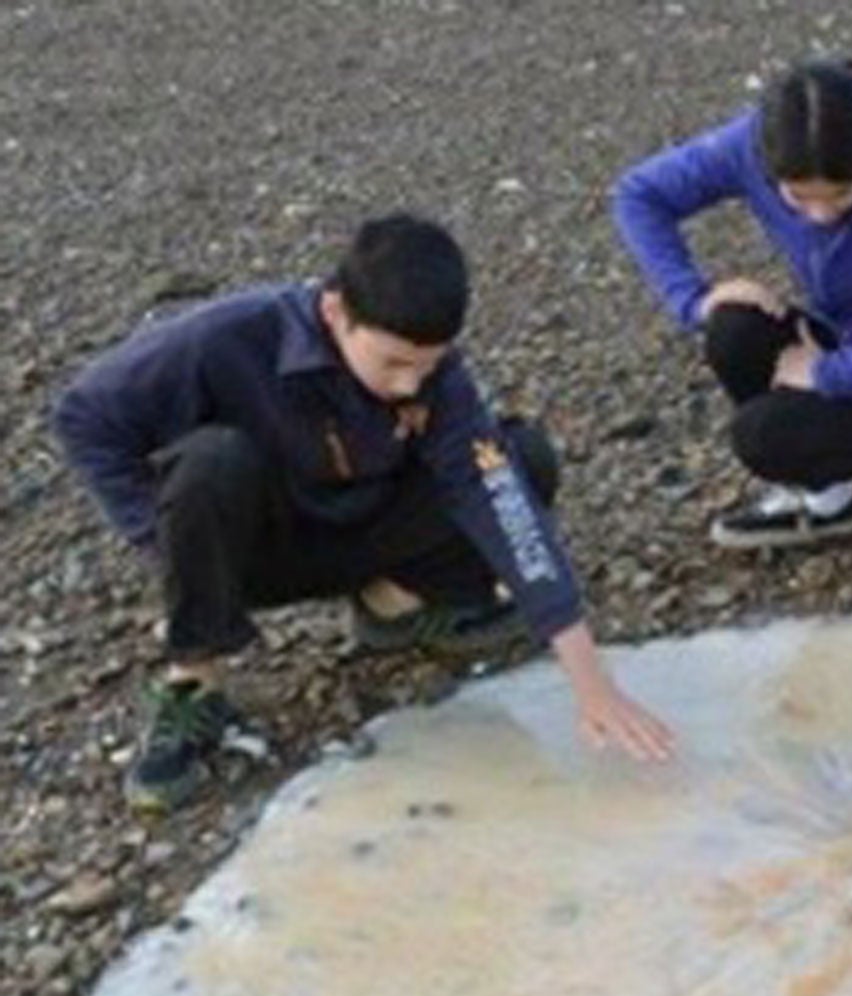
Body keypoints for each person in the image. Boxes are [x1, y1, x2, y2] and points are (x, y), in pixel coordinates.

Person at [55, 213, 673, 811]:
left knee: (517, 461)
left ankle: (394, 608)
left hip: (360, 529)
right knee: (211, 463)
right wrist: (158, 539)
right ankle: (196, 683)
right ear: (334, 312)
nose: (411, 385)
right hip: (253, 551)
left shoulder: (439, 380)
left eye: (427, 367)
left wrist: (591, 683)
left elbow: (502, 503)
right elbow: (84, 416)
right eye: (395, 364)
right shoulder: (224, 337)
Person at [613, 58, 852, 561]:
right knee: (732, 329)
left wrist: (830, 374)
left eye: (843, 194)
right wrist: (692, 298)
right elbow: (639, 194)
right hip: (848, 341)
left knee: (762, 436)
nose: (820, 215)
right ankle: (828, 499)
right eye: (798, 198)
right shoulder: (750, 144)